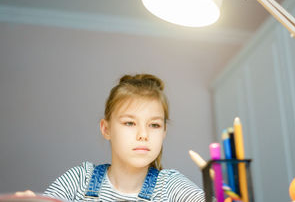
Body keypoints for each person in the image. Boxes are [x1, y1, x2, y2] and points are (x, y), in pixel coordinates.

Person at [16, 74, 205, 201]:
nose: (143, 135)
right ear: (106, 129)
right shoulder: (80, 179)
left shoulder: (171, 186)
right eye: (130, 123)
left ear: (164, 132)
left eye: (154, 125)